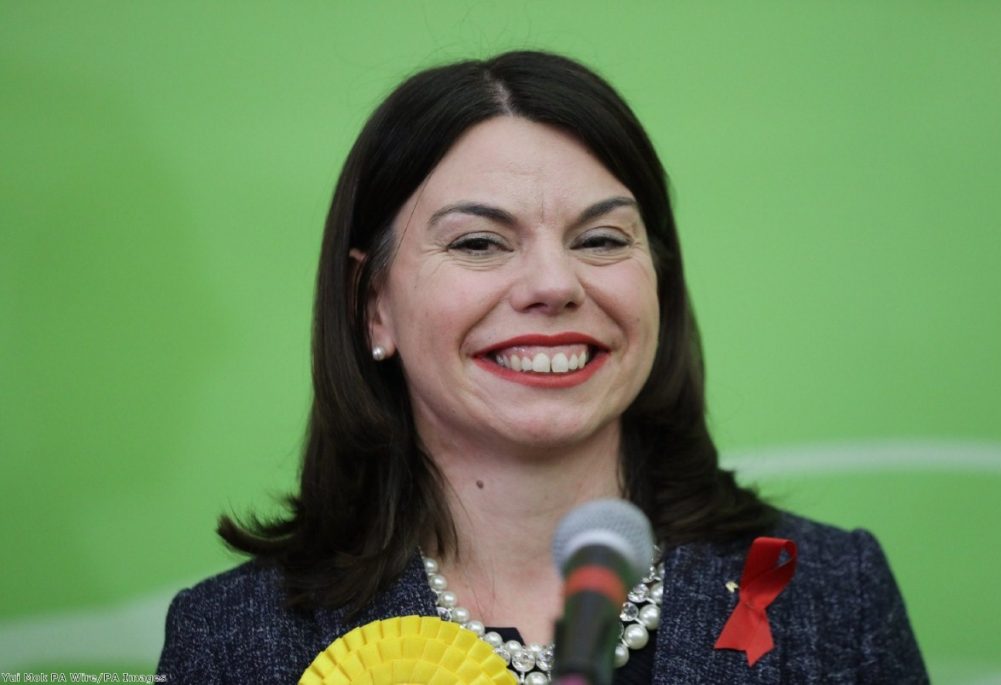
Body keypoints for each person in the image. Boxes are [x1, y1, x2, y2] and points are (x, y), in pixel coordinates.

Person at [157, 51, 928, 684]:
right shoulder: (232, 639)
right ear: (373, 306)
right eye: (479, 243)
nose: (555, 285)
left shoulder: (825, 591)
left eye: (601, 240)